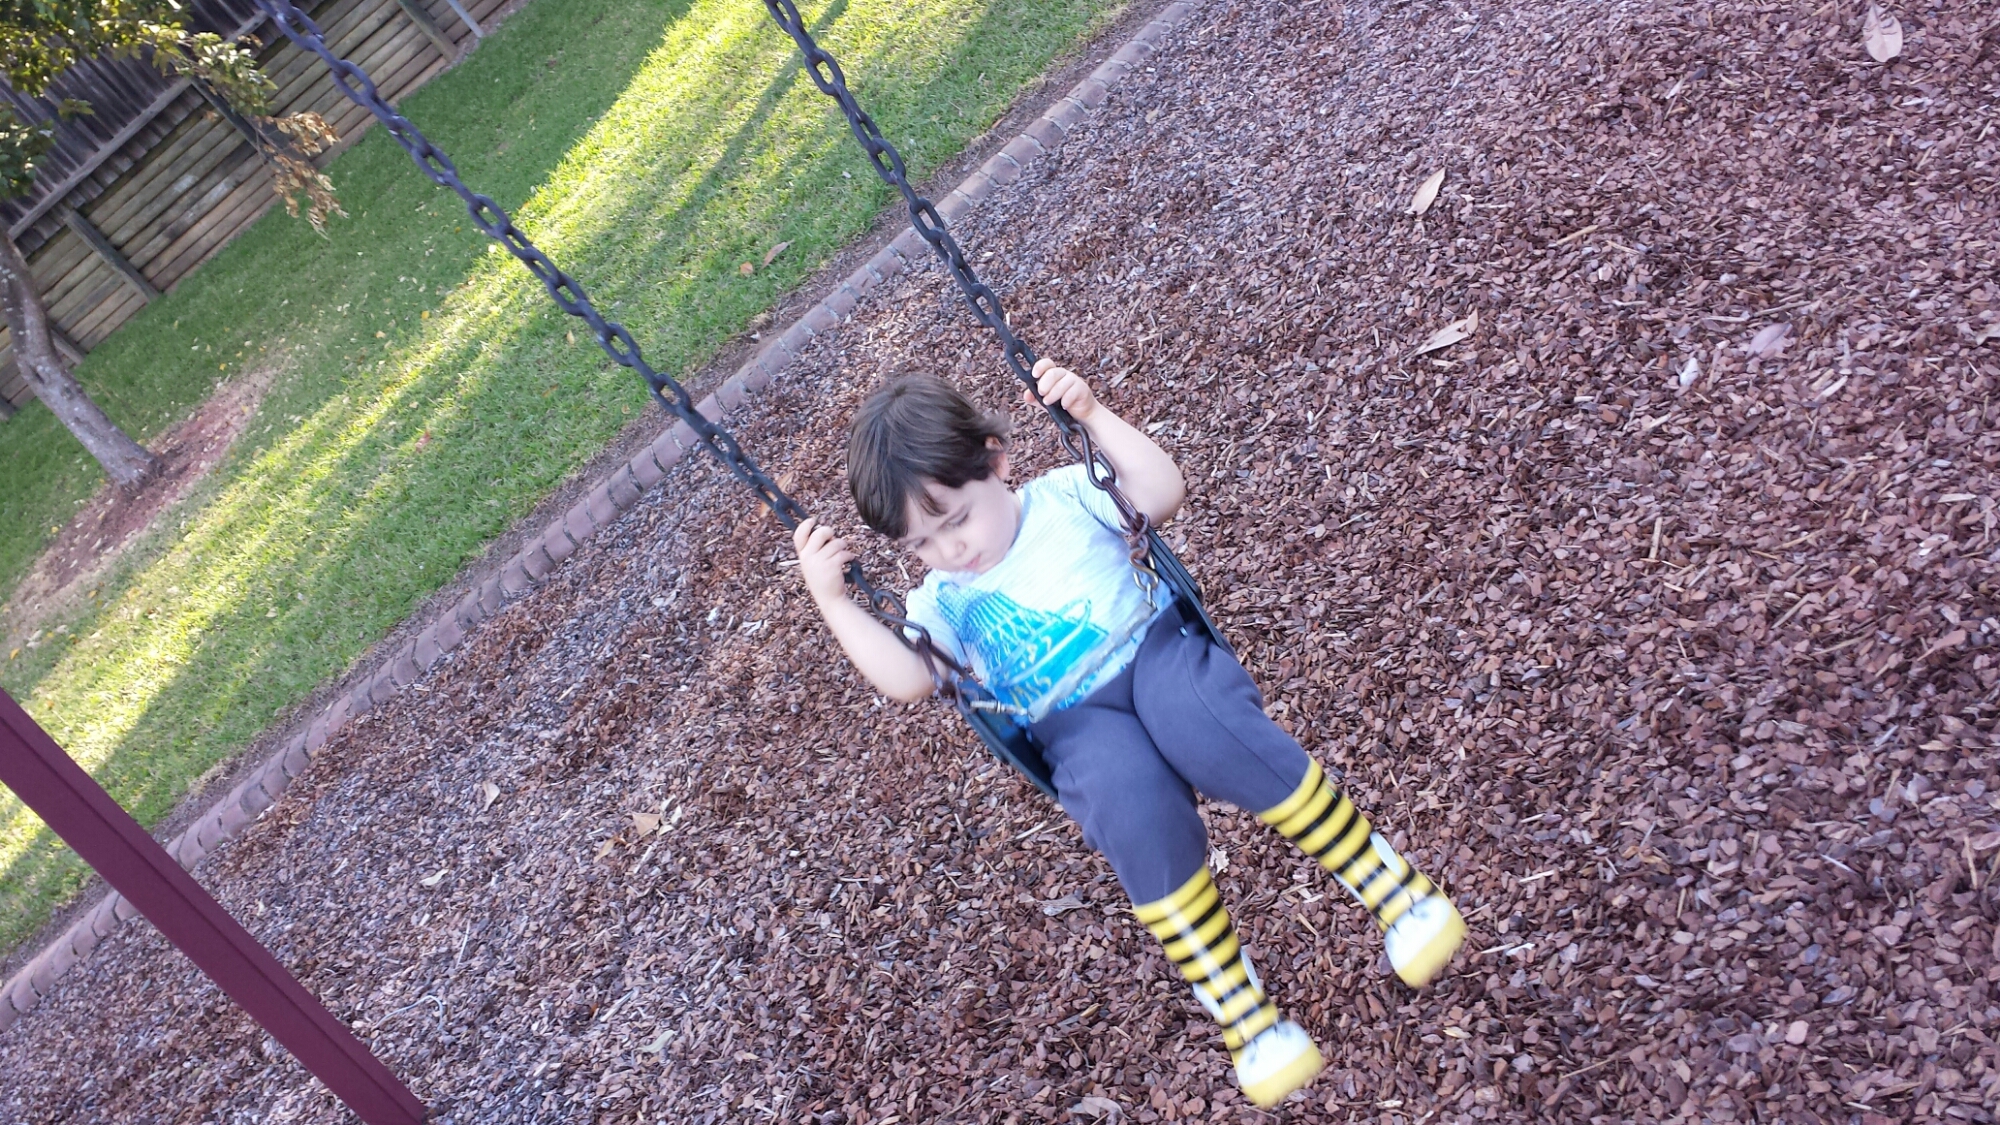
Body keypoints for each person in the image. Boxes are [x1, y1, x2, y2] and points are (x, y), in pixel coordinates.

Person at [790, 361, 1465, 1108]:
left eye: (956, 520)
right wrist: (835, 602)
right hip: (1076, 725)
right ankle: (1247, 1015)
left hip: (1156, 652)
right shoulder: (941, 604)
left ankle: (1396, 892)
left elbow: (1162, 491)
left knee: (1203, 723)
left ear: (997, 462)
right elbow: (907, 677)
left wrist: (1093, 415)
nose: (950, 551)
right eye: (921, 544)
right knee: (1127, 808)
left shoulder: (1065, 496)